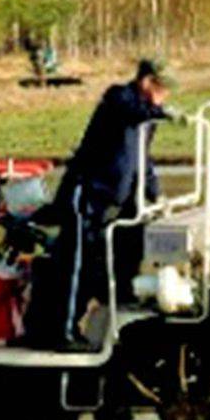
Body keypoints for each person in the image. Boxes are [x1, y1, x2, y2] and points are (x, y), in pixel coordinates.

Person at [24, 58, 172, 349]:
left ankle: (112, 302)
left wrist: (157, 193)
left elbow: (143, 159)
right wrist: (163, 112)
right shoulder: (120, 98)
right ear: (147, 82)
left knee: (101, 261)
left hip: (109, 202)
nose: (166, 96)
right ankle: (61, 332)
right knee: (75, 265)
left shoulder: (144, 120)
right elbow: (134, 110)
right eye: (163, 88)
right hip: (88, 195)